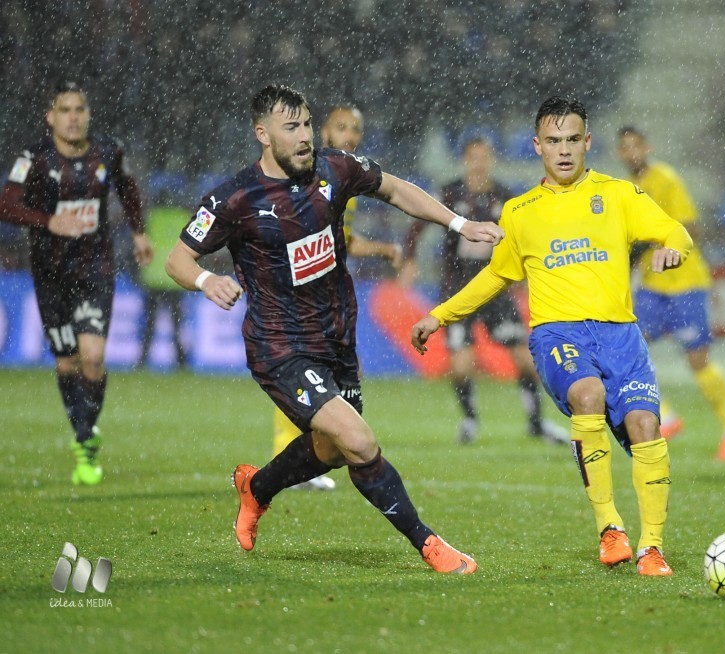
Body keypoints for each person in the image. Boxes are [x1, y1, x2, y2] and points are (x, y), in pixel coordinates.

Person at [166, 84, 502, 573]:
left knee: (332, 449)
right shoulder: (235, 197)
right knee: (359, 441)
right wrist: (206, 279)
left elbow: (394, 188)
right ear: (263, 134)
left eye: (307, 123)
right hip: (280, 347)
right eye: (291, 127)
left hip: (338, 337)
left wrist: (458, 225)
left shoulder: (334, 168)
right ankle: (429, 545)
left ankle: (256, 488)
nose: (305, 135)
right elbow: (178, 259)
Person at [411, 96, 693, 576]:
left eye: (572, 140)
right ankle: (610, 528)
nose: (563, 150)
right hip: (557, 334)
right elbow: (495, 276)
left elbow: (676, 231)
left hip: (621, 336)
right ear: (537, 145)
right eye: (553, 141)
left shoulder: (619, 195)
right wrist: (439, 315)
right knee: (588, 395)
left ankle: (651, 548)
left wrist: (674, 250)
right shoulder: (521, 211)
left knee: (646, 425)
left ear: (587, 142)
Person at [0, 80, 152, 486]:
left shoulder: (108, 152)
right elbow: (6, 204)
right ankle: (84, 434)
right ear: (50, 117)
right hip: (50, 274)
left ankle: (84, 438)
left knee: (94, 357)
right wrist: (48, 220)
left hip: (94, 269)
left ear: (88, 115)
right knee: (67, 363)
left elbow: (128, 188)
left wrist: (139, 232)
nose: (73, 117)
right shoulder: (34, 157)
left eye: (79, 109)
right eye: (64, 110)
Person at [401, 136, 568, 445]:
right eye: (473, 157)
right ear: (464, 160)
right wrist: (409, 259)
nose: (479, 163)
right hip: (458, 290)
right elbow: (417, 224)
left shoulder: (505, 196)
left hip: (495, 289)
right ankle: (469, 420)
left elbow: (525, 235)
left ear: (491, 159)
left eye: (484, 157)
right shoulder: (449, 192)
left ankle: (536, 423)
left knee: (524, 357)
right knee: (461, 364)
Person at [271, 104, 402, 491]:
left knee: (332, 374)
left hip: (328, 294)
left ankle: (310, 457)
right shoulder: (304, 172)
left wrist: (381, 249)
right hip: (299, 291)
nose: (350, 135)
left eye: (356, 129)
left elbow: (340, 239)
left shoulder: (344, 176)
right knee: (305, 370)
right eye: (341, 127)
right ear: (323, 130)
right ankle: (296, 460)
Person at [615, 126, 725, 462]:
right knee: (626, 351)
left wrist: (651, 241)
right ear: (619, 153)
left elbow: (691, 228)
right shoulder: (624, 190)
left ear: (648, 148)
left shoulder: (666, 180)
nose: (632, 153)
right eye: (625, 148)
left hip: (685, 283)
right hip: (652, 286)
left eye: (636, 146)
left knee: (697, 360)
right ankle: (668, 418)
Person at [139, 206, 189, 369]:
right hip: (176, 280)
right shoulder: (184, 217)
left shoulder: (152, 217)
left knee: (149, 324)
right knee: (177, 325)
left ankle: (142, 360)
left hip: (154, 280)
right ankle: (181, 362)